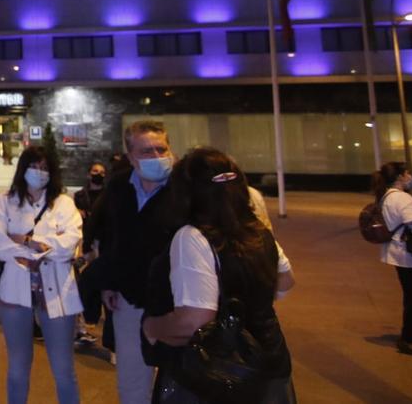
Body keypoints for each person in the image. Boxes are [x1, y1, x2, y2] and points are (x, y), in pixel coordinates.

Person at [142, 147, 296, 401]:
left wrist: (153, 326)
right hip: (270, 362)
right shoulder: (257, 231)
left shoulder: (192, 237)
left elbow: (195, 320)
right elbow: (286, 279)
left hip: (218, 375)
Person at [91, 121, 181, 404]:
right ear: (130, 156)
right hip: (129, 300)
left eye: (161, 149)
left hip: (176, 303)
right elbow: (109, 237)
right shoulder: (118, 186)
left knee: (178, 382)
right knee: (131, 382)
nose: (156, 157)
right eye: (146, 151)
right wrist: (108, 283)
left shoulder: (184, 190)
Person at [0, 147, 82, 404]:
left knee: (63, 369)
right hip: (14, 294)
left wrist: (28, 242)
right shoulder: (4, 201)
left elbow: (70, 244)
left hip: (58, 294)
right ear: (22, 169)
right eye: (34, 166)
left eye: (44, 168)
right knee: (18, 368)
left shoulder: (64, 203)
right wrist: (47, 248)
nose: (39, 172)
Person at [374, 161, 412, 354]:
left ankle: (408, 335)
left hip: (398, 253)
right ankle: (408, 338)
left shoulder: (387, 197)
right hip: (408, 253)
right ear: (400, 177)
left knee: (410, 295)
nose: (410, 177)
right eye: (407, 174)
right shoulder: (403, 199)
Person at [73, 162, 107, 347]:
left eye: (102, 172)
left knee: (98, 280)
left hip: (102, 242)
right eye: (95, 171)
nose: (98, 175)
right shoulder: (79, 196)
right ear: (88, 174)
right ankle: (86, 320)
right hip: (85, 243)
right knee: (85, 281)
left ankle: (89, 321)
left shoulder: (109, 195)